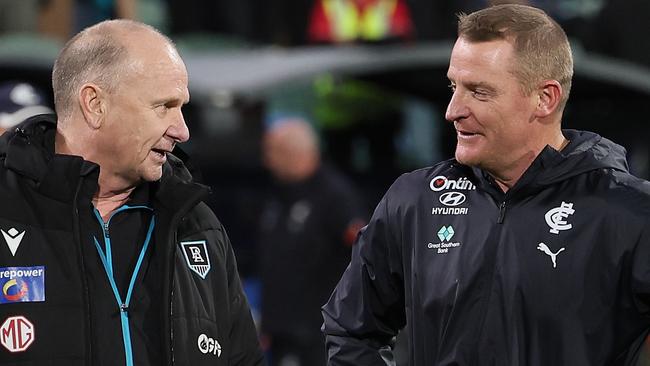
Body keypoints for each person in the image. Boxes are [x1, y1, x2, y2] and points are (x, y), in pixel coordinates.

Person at [322, 4, 650, 365]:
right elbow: (350, 329)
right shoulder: (415, 200)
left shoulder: (628, 213)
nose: (452, 110)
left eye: (478, 92)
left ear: (545, 98)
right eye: (454, 86)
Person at [0, 20, 264, 365]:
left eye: (181, 107)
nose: (182, 130)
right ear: (94, 104)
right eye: (163, 106)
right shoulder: (8, 206)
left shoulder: (197, 226)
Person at [259, 118, 365, 366]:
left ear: (293, 153)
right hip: (283, 332)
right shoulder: (278, 195)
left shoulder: (335, 196)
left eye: (271, 152)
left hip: (321, 336)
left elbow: (365, 251)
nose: (266, 161)